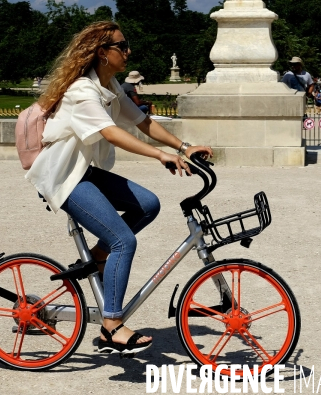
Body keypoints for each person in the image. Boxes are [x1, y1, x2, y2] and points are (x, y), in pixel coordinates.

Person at [25, 21, 213, 354]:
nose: (128, 51)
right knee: (123, 240)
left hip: (84, 171)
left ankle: (98, 257)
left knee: (147, 204)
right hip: (64, 177)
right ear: (102, 52)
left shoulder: (108, 85)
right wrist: (159, 155)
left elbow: (142, 121)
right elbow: (111, 133)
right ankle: (111, 326)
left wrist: (184, 147)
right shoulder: (82, 90)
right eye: (122, 46)